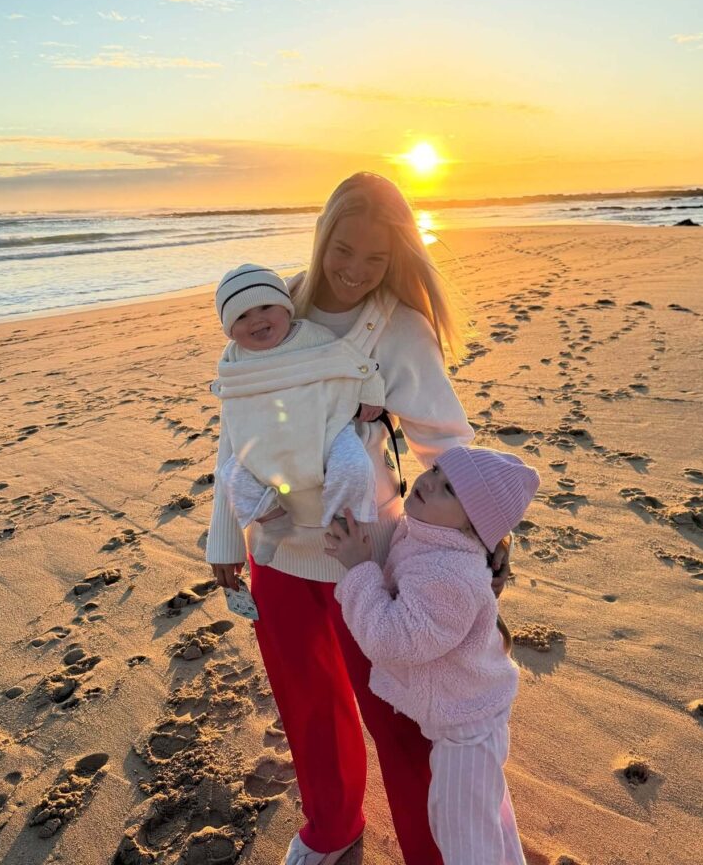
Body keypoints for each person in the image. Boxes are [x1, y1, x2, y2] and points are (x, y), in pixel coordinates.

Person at [206, 171, 512, 865]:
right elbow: (235, 429)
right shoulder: (271, 305)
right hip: (277, 552)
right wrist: (223, 535)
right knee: (308, 707)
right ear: (322, 236)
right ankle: (332, 828)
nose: (353, 271)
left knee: (398, 717)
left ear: (396, 255)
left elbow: (445, 438)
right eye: (343, 249)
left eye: (375, 258)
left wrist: (487, 533)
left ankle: (434, 850)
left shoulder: (397, 327)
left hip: (366, 552)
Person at [326, 447, 539, 865]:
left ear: (473, 525)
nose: (429, 482)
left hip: (465, 732)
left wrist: (359, 569)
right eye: (438, 471)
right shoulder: (431, 534)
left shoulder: (450, 575)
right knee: (486, 817)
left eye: (448, 490)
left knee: (463, 836)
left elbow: (394, 638)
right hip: (472, 715)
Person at [211, 263, 385, 565]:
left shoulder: (312, 335)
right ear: (229, 329)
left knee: (354, 465)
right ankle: (271, 520)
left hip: (325, 425)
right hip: (265, 434)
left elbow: (353, 362)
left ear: (286, 308)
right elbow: (231, 391)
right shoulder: (234, 357)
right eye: (241, 316)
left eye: (266, 306)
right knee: (232, 475)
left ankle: (344, 517)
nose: (257, 320)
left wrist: (370, 392)